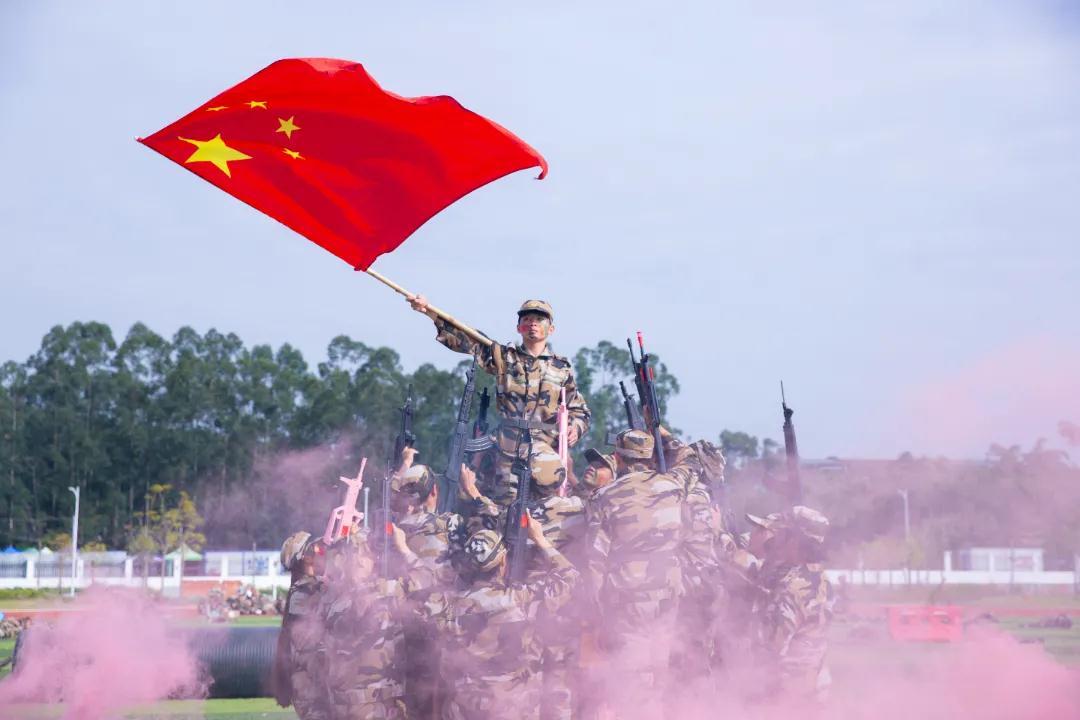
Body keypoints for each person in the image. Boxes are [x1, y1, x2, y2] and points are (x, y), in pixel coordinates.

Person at [408, 296, 590, 506]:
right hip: (507, 455)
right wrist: (429, 311)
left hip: (546, 457)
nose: (532, 323)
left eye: (539, 319)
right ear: (519, 328)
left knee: (545, 511)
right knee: (505, 511)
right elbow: (468, 338)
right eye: (527, 319)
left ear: (551, 329)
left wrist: (575, 428)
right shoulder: (504, 358)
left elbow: (580, 411)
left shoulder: (561, 368)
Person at [411, 516, 580, 720]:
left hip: (464, 707)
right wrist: (540, 539)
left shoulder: (447, 606)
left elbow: (414, 597)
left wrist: (404, 549)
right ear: (502, 562)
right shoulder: (520, 601)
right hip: (511, 708)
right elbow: (570, 576)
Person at [583, 428, 701, 710]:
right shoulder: (673, 484)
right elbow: (692, 459)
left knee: (630, 675)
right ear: (650, 456)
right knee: (658, 667)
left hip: (627, 597)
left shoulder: (604, 497)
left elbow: (595, 560)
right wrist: (660, 430)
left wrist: (597, 613)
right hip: (667, 592)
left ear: (617, 458)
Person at [745, 506, 833, 704]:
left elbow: (769, 649)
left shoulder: (790, 588)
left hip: (787, 695)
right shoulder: (820, 577)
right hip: (814, 686)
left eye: (782, 533)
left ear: (793, 540)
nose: (775, 539)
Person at [274, 531, 330, 720]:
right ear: (305, 558)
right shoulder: (305, 591)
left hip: (317, 681)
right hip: (311, 686)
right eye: (313, 547)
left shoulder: (311, 586)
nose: (319, 549)